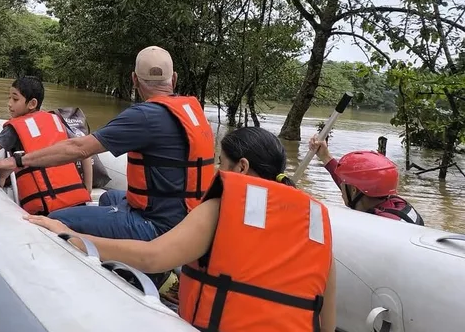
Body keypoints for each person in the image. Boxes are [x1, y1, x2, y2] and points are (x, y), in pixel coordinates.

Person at [28, 127, 337, 332]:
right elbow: (326, 320)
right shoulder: (317, 226)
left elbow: (152, 258)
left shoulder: (224, 208)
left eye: (222, 163)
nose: (219, 171)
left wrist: (70, 236)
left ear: (241, 167)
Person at [0, 46, 216, 244]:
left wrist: (17, 160)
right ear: (173, 78)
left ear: (134, 80)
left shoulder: (143, 117)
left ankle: (142, 270)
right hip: (187, 217)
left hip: (156, 225)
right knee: (107, 199)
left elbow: (79, 148)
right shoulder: (192, 111)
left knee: (55, 219)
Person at [0, 76, 93, 215]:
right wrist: (88, 188)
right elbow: (85, 152)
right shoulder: (56, 121)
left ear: (32, 103)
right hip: (78, 201)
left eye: (15, 99)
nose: (9, 103)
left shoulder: (13, 130)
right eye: (9, 98)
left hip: (46, 211)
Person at [309, 136, 424, 225]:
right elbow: (354, 190)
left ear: (354, 190)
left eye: (344, 185)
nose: (341, 192)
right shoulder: (397, 204)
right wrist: (325, 157)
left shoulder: (377, 224)